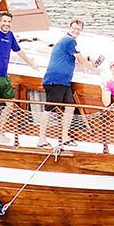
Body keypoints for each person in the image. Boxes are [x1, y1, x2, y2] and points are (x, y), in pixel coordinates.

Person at [37, 17, 99, 147]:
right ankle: (41, 139)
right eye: (74, 28)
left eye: (79, 29)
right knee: (48, 109)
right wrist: (94, 70)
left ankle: (64, 136)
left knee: (70, 107)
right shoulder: (69, 40)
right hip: (55, 80)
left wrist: (88, 59)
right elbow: (80, 58)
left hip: (64, 82)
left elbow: (75, 58)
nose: (76, 31)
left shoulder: (68, 42)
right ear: (69, 28)